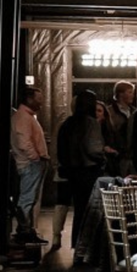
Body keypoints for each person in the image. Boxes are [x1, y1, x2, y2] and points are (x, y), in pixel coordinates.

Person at [54, 91, 114, 253]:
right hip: (89, 171)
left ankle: (78, 245)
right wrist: (103, 157)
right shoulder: (91, 123)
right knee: (89, 211)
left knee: (79, 211)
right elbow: (93, 148)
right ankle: (87, 246)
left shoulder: (67, 123)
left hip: (72, 171)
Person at [8, 89, 50, 249]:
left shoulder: (25, 117)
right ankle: (24, 231)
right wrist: (36, 158)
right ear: (29, 99)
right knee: (28, 198)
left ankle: (27, 230)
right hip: (30, 164)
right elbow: (24, 142)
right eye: (38, 98)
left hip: (31, 163)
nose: (41, 102)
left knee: (30, 198)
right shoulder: (23, 118)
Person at [102, 80, 135, 163]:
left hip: (132, 154)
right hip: (116, 153)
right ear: (121, 94)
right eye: (130, 92)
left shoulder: (134, 111)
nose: (133, 95)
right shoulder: (109, 111)